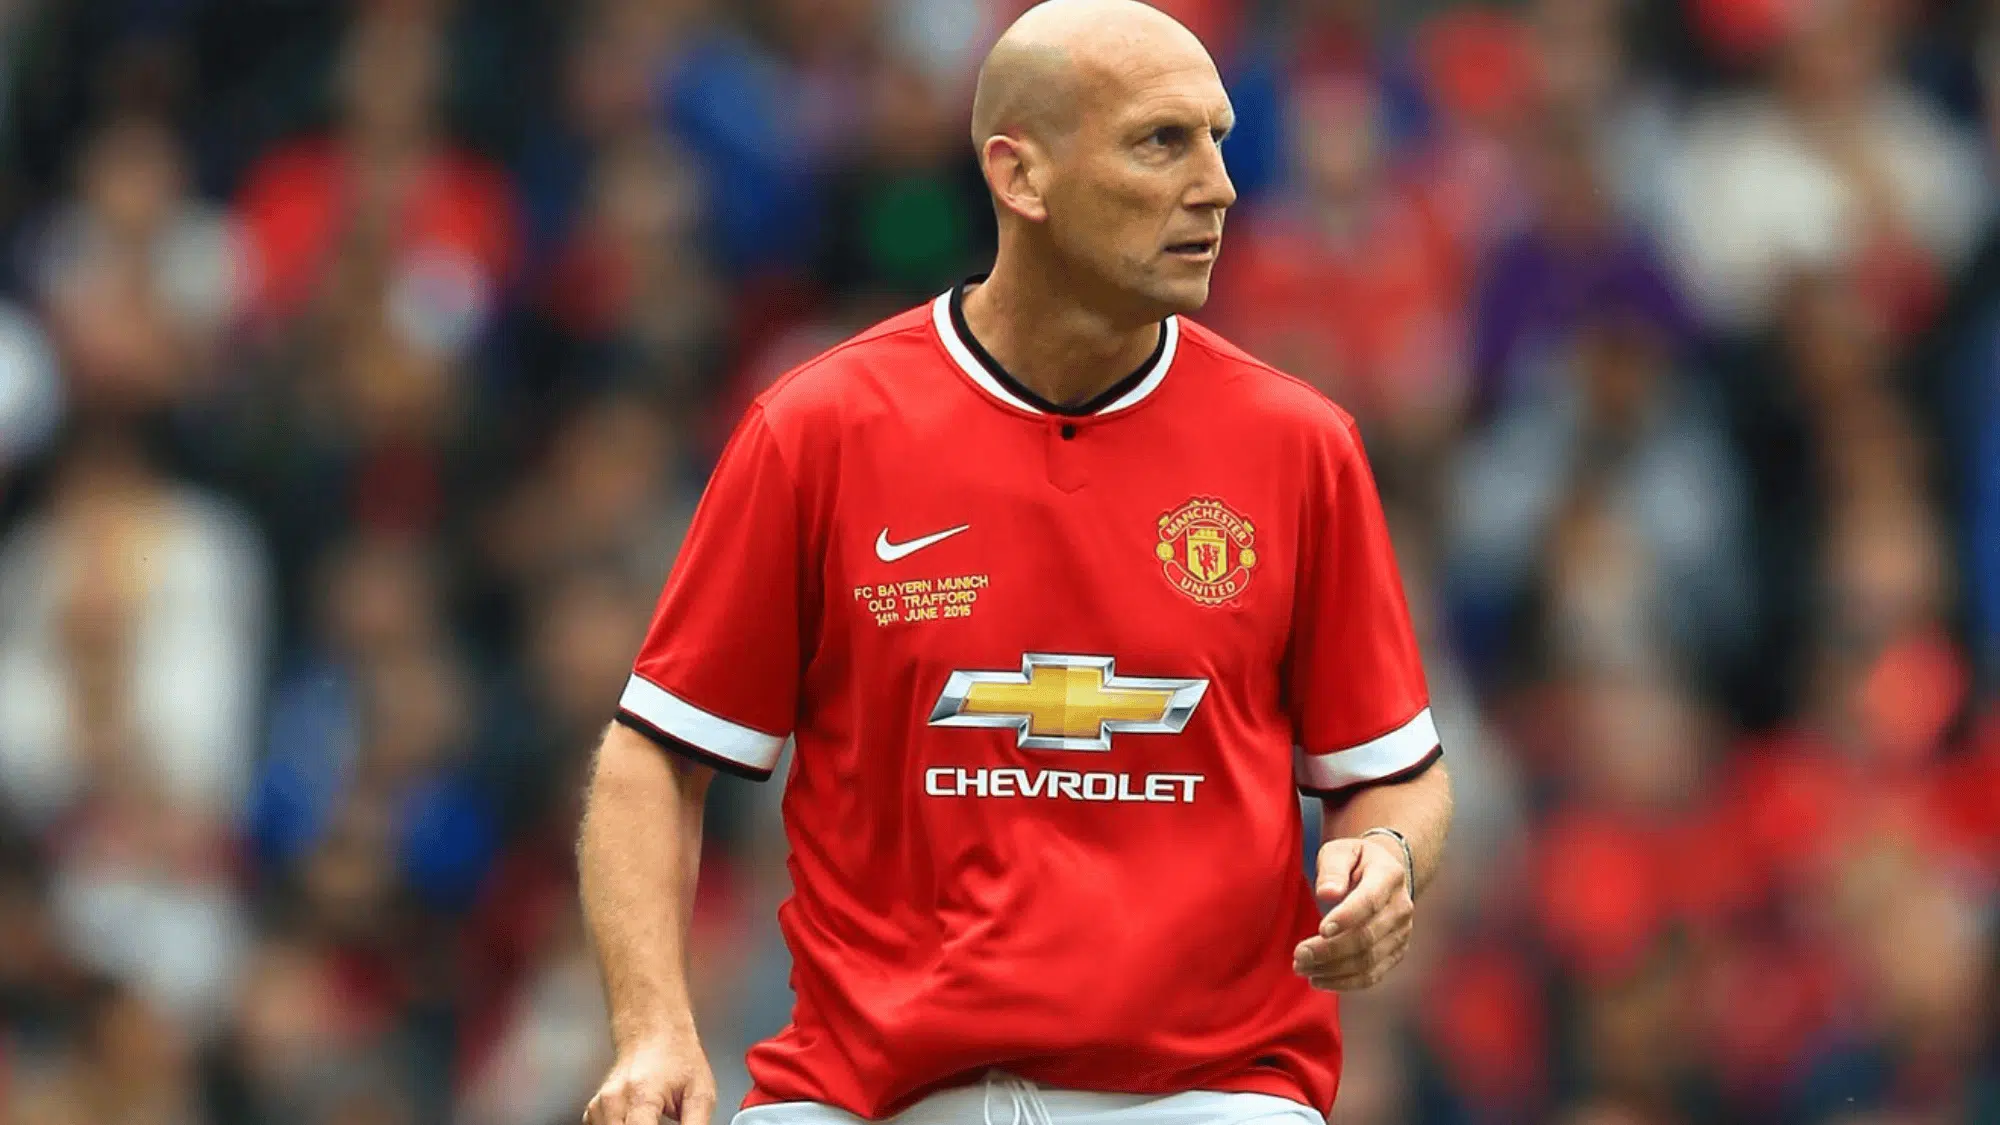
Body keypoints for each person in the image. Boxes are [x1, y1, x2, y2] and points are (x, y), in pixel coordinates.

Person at [576, 3, 1455, 1124]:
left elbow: (1390, 764)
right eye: (1160, 142)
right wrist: (654, 1031)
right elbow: (653, 757)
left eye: (1220, 138)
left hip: (1204, 1095)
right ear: (1019, 175)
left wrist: (1380, 851)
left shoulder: (1298, 446)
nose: (1219, 185)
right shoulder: (820, 429)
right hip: (872, 1098)